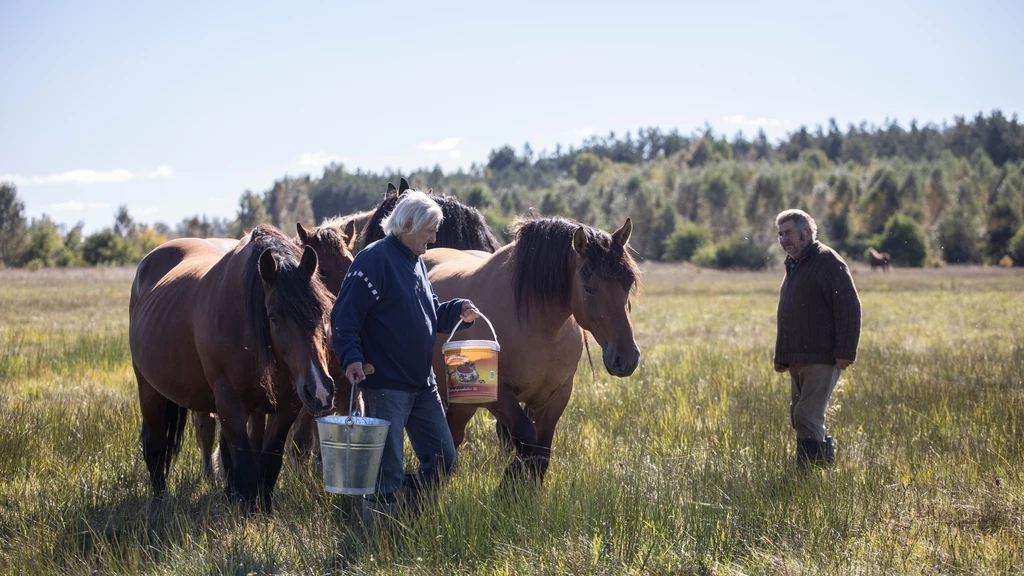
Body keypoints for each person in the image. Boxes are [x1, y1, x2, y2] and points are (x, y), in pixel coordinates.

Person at [331, 189, 480, 530]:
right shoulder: (373, 260)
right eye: (430, 229)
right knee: (388, 468)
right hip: (386, 386)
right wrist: (352, 358)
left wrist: (456, 311)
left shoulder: (414, 261)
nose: (435, 237)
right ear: (409, 224)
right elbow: (344, 318)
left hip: (422, 384)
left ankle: (407, 509)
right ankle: (379, 536)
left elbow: (428, 315)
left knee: (444, 456)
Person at [774, 209, 861, 467]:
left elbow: (849, 307)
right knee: (799, 415)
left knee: (807, 414)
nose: (783, 239)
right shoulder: (794, 265)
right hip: (797, 357)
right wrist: (782, 357)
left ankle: (808, 473)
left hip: (821, 356)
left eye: (788, 232)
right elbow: (787, 315)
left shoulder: (828, 261)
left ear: (807, 232)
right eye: (780, 234)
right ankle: (820, 467)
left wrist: (845, 350)